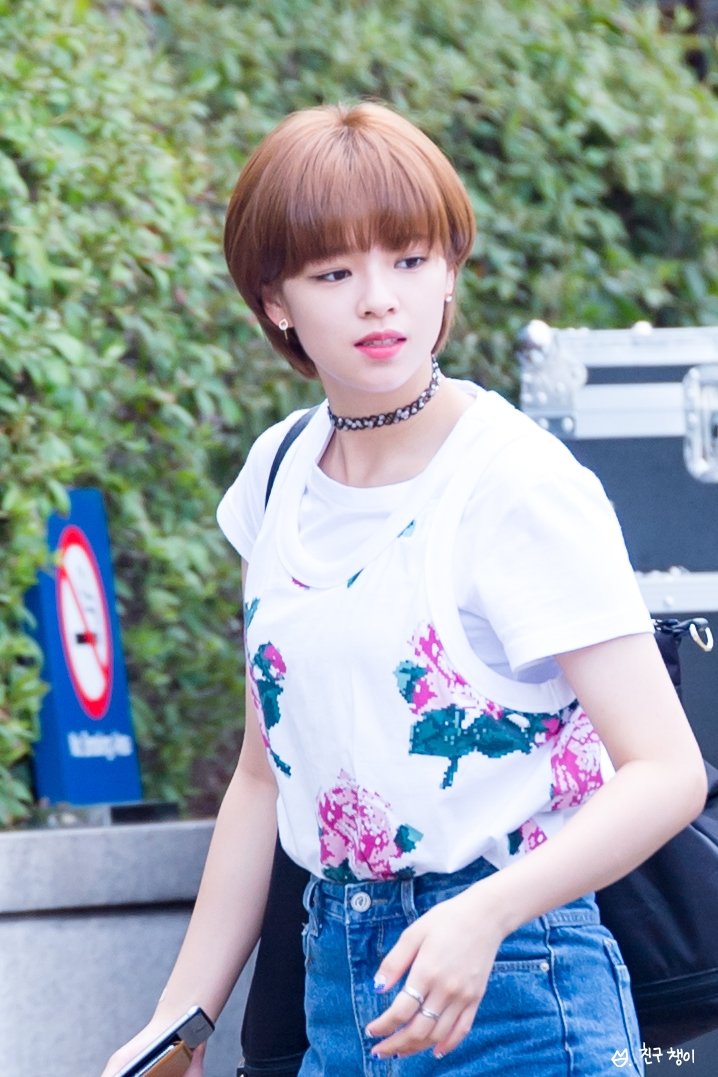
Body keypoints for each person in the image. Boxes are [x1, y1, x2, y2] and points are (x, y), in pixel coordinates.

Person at [101, 101, 707, 1077]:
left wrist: (488, 912)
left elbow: (666, 769)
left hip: (516, 985)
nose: (379, 300)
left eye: (411, 260)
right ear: (275, 301)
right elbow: (263, 774)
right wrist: (183, 1020)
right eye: (334, 273)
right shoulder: (278, 473)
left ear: (450, 272)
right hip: (339, 985)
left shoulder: (516, 483)